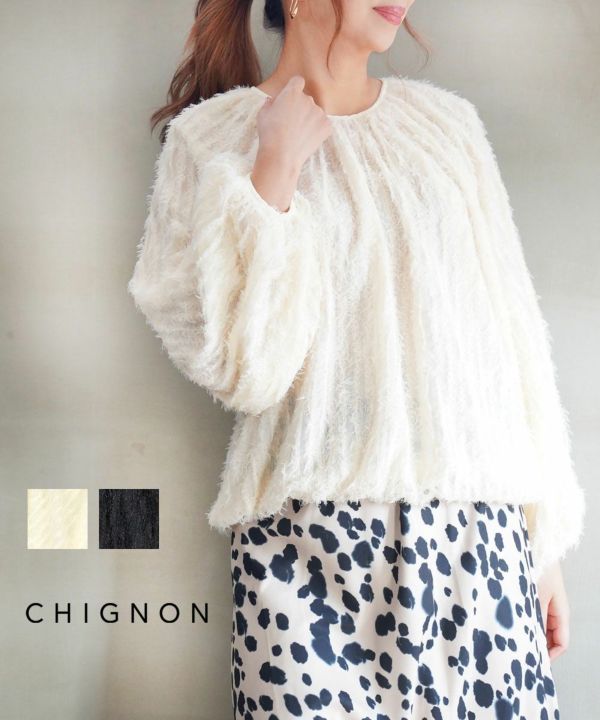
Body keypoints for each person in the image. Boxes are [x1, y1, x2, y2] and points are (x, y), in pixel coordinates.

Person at [127, 1, 586, 717]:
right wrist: (274, 169)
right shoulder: (208, 142)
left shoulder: (448, 128)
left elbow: (510, 341)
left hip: (475, 546)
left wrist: (543, 544)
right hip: (307, 557)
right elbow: (245, 370)